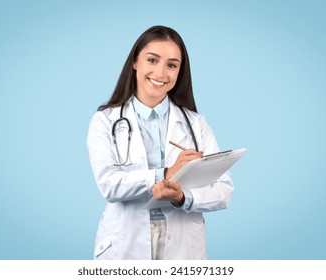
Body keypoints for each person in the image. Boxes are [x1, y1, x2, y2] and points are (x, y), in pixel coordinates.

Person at [87, 25, 233, 260]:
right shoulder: (105, 121)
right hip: (127, 241)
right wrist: (165, 173)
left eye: (172, 65)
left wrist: (182, 198)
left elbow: (223, 190)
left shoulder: (196, 124)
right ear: (135, 62)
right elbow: (109, 185)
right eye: (152, 60)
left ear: (179, 71)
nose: (161, 73)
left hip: (183, 246)